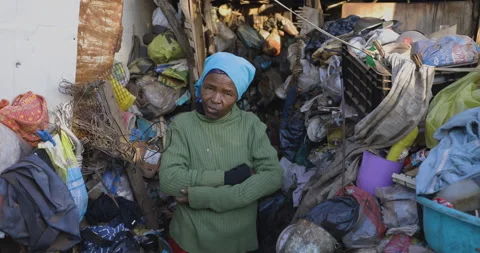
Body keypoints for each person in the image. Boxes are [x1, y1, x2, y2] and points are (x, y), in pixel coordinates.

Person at [159, 52, 283, 253]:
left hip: (237, 242)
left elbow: (273, 176)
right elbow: (170, 181)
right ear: (201, 86)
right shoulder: (183, 125)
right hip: (190, 241)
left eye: (227, 93)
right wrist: (228, 177)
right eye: (210, 88)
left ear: (237, 96)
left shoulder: (250, 125)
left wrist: (205, 197)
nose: (216, 99)